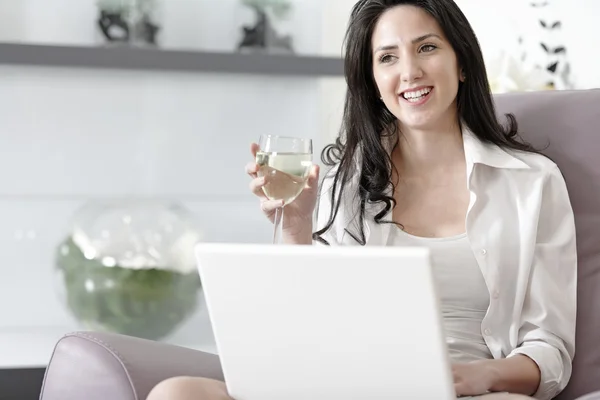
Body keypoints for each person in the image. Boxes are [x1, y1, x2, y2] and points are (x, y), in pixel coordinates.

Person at [146, 0, 577, 399]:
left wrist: (479, 375)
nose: (409, 72)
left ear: (461, 63)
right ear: (372, 82)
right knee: (176, 393)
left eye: (426, 48)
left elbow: (550, 348)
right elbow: (301, 322)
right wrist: (296, 225)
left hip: (464, 390)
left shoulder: (532, 182)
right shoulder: (343, 182)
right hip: (348, 385)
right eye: (387, 57)